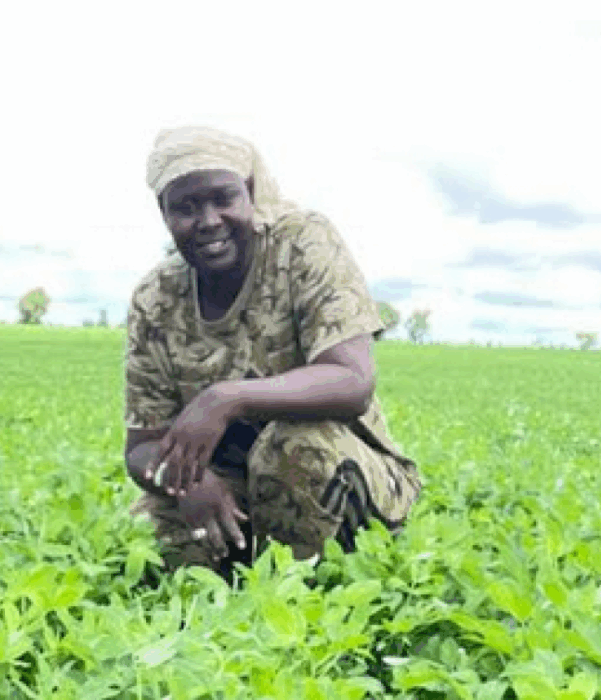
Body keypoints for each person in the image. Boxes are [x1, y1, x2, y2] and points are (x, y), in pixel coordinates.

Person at [124, 126, 422, 579]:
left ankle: (313, 596)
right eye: (184, 207)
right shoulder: (155, 297)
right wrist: (188, 485)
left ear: (251, 193)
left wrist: (225, 399)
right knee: (157, 532)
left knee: (292, 448)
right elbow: (143, 446)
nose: (207, 221)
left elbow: (351, 380)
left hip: (344, 470)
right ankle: (236, 581)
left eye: (222, 198)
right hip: (231, 482)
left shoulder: (302, 243)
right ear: (164, 214)